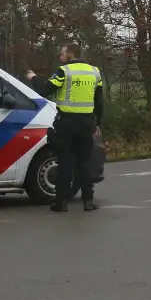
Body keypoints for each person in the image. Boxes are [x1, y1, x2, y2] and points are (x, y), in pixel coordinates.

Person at [26, 42, 104, 212]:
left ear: (71, 54)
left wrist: (33, 78)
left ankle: (61, 203)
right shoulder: (94, 72)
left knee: (64, 163)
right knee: (83, 163)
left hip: (66, 123)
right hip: (86, 123)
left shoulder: (64, 71)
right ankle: (88, 201)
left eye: (63, 53)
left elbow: (45, 90)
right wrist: (97, 124)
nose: (61, 57)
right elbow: (99, 102)